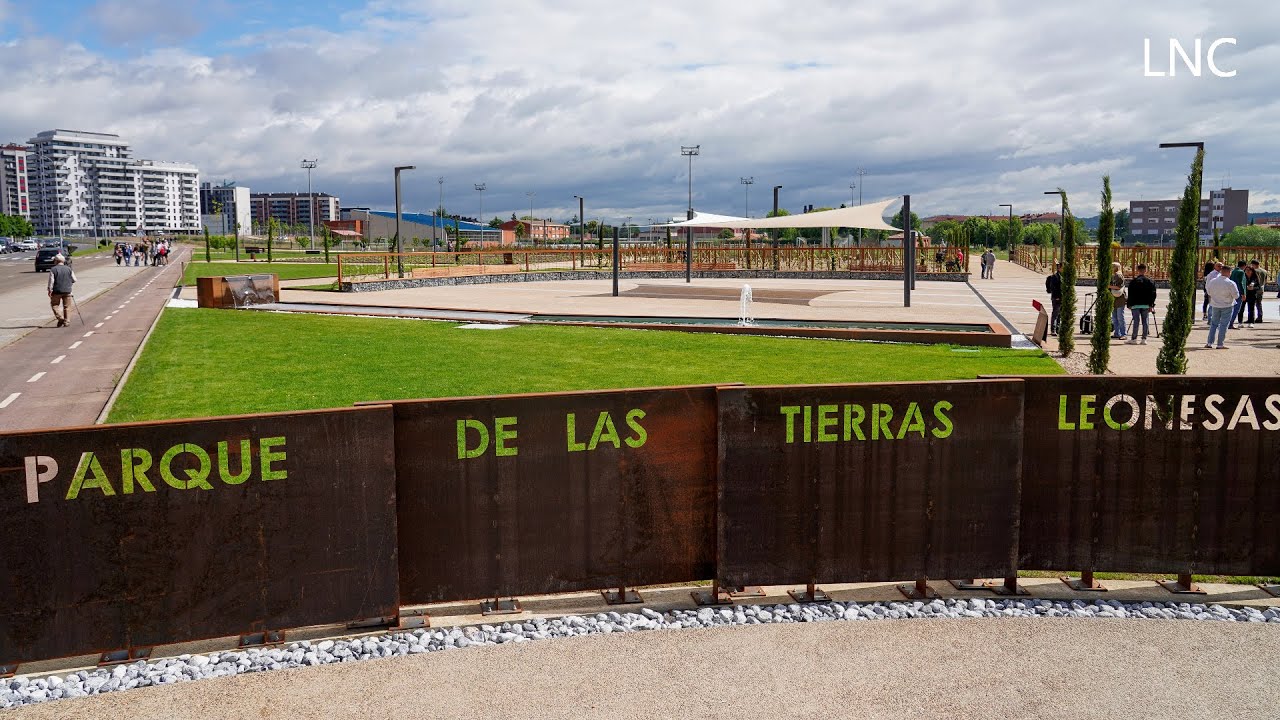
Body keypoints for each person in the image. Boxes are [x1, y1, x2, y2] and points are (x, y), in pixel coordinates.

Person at [1205, 265, 1242, 349]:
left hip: (1215, 304)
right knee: (1224, 325)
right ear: (1229, 272)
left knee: (1214, 324)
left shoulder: (1213, 281)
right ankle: (1220, 344)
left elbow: (1209, 292)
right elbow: (1236, 296)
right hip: (1227, 305)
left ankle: (1209, 342)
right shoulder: (1231, 283)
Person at [1126, 263, 1157, 345]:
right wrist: (1151, 305)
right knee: (1145, 321)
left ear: (1137, 270)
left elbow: (1130, 294)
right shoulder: (1150, 282)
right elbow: (1153, 294)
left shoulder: (1133, 282)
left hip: (1135, 304)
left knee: (1136, 321)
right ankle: (1144, 339)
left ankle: (1134, 338)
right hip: (1146, 304)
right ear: (1145, 270)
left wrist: (1129, 304)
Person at [47, 254, 77, 328]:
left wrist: (50, 290)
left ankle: (61, 318)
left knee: (54, 305)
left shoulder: (53, 269)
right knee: (67, 306)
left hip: (56, 291)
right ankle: (67, 321)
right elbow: (74, 279)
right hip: (67, 290)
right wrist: (68, 282)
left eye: (54, 260)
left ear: (56, 261)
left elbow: (51, 281)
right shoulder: (69, 269)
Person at [1108, 261, 1127, 340]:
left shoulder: (1119, 276)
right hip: (1114, 298)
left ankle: (1123, 334)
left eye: (1112, 267)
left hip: (1120, 299)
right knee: (1114, 317)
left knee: (1120, 317)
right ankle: (1117, 333)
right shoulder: (1113, 276)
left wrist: (1109, 286)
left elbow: (1119, 287)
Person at [1045, 261, 1063, 336]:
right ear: (1059, 268)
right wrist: (1057, 297)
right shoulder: (1055, 277)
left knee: (1060, 315)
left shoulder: (1063, 276)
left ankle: (1058, 329)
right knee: (1055, 314)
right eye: (1063, 268)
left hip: (1062, 298)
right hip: (1056, 298)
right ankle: (1053, 330)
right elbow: (1053, 288)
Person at [1229, 260, 1247, 328]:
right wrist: (1243, 293)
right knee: (1236, 309)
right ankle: (1230, 323)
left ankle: (1229, 322)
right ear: (1244, 266)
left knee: (1231, 308)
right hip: (1238, 292)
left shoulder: (1233, 271)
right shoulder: (1241, 272)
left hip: (1232, 291)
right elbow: (1241, 283)